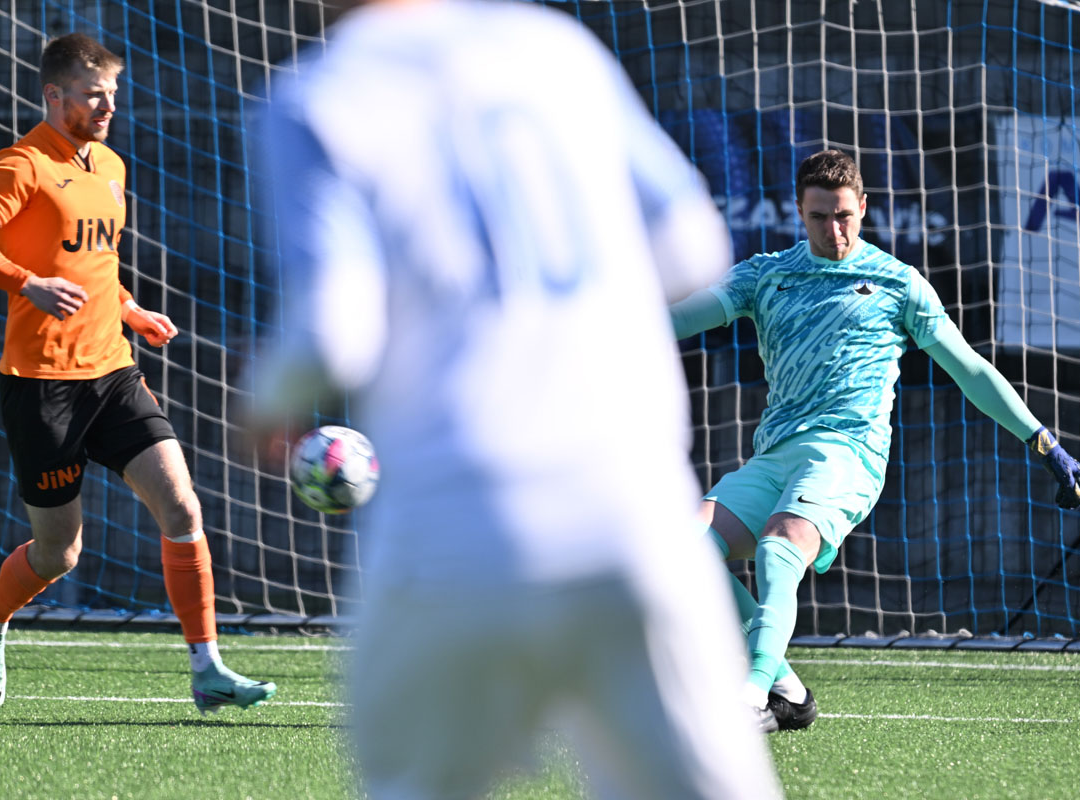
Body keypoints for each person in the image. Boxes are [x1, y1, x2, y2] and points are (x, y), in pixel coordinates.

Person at [249, 1, 782, 797]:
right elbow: (693, 248)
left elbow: (332, 332)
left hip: (456, 531)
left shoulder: (315, 97)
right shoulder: (553, 46)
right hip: (633, 518)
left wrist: (264, 401)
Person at [671, 148, 1080, 732]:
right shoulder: (766, 274)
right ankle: (788, 692)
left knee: (779, 547)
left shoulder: (898, 283)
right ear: (799, 212)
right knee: (681, 552)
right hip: (776, 454)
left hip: (848, 455)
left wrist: (1041, 439)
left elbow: (969, 369)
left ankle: (751, 695)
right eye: (820, 217)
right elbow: (678, 319)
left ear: (863, 207)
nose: (834, 230)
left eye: (844, 215)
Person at [0, 32, 275, 713]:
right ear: (53, 94)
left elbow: (94, 264)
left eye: (112, 94)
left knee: (182, 507)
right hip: (41, 385)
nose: (107, 105)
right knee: (59, 553)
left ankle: (207, 666)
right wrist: (26, 283)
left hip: (113, 374)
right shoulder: (23, 163)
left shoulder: (111, 165)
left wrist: (131, 310)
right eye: (93, 95)